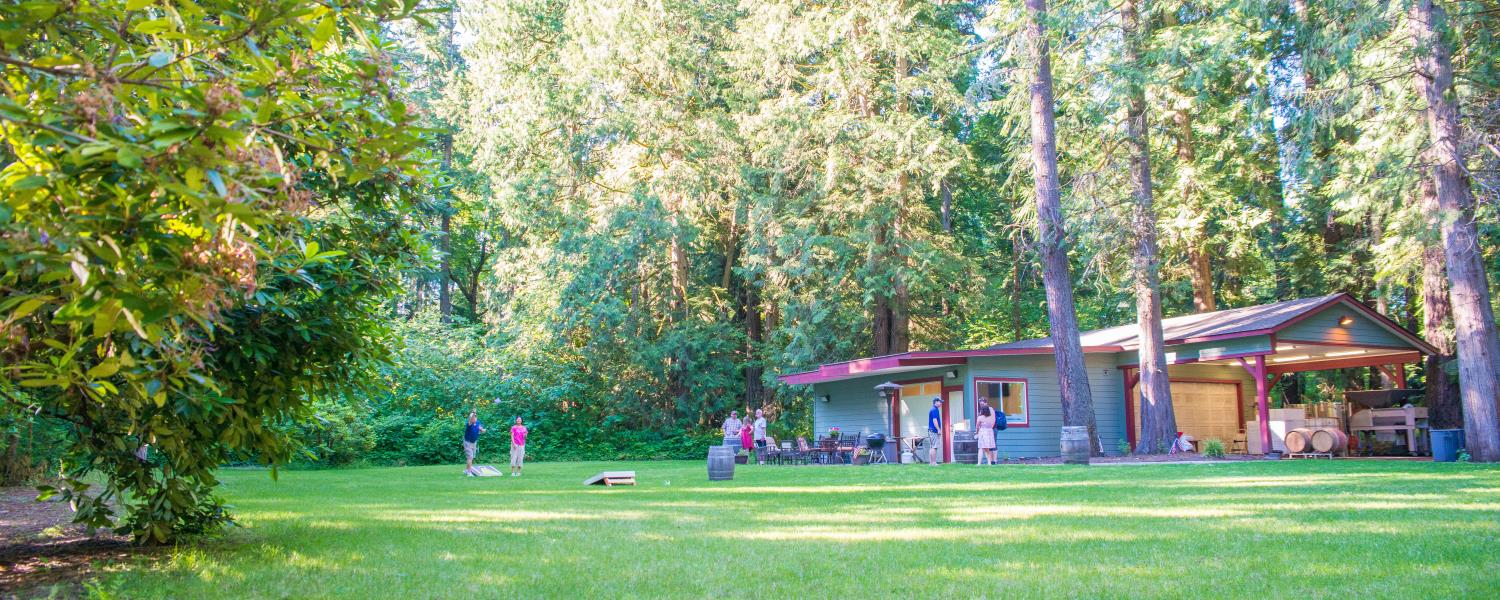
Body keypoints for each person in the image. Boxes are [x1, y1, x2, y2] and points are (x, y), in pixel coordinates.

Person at [463, 412, 486, 477]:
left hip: (474, 442)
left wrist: (483, 430)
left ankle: (466, 470)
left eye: (475, 416)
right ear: (470, 418)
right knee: (470, 457)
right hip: (467, 442)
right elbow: (471, 419)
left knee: (471, 457)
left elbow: (480, 428)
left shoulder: (478, 422)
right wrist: (474, 412)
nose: (474, 417)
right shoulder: (469, 423)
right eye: (473, 417)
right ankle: (469, 473)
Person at [927, 397, 942, 465]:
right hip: (934, 431)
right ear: (936, 402)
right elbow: (934, 420)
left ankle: (931, 463)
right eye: (940, 402)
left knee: (931, 446)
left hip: (931, 431)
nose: (941, 403)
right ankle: (934, 463)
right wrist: (938, 429)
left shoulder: (933, 409)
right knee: (934, 447)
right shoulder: (935, 409)